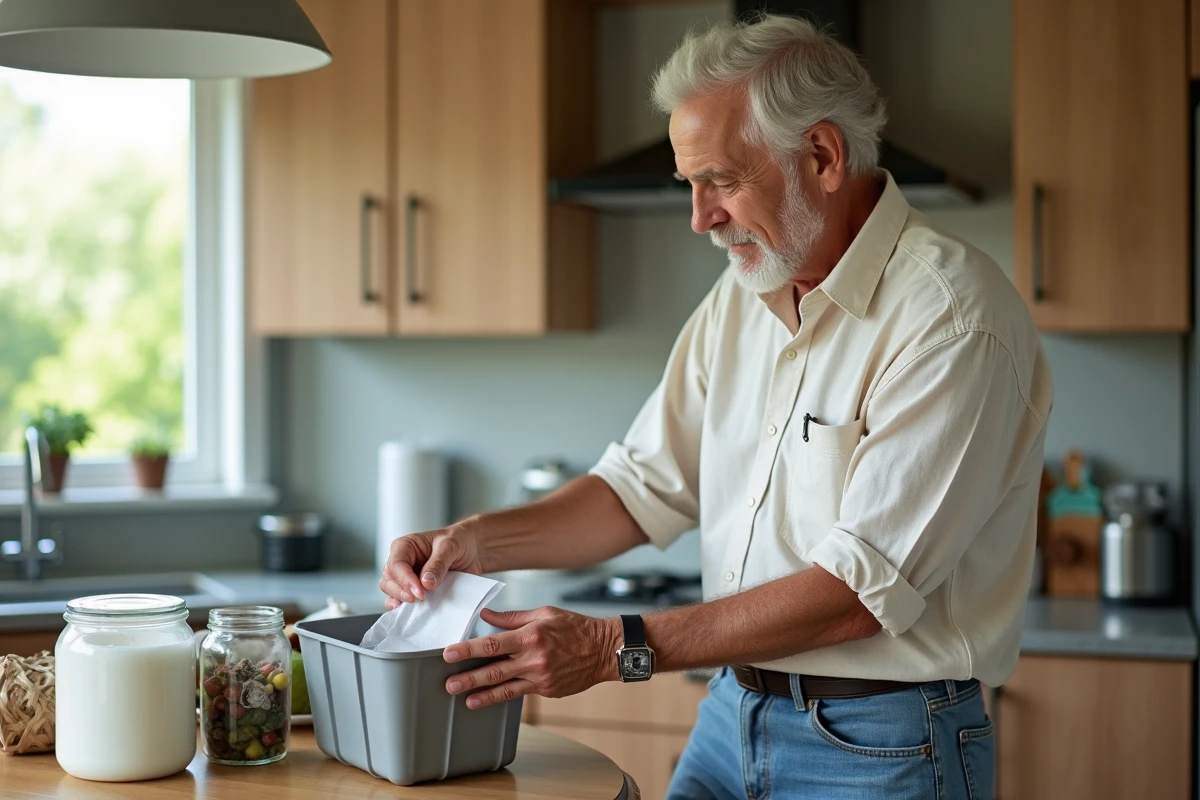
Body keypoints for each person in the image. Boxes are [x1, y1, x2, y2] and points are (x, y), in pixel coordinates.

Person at [379, 14, 1051, 800]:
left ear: (822, 156)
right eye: (689, 185)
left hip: (882, 743)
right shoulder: (744, 294)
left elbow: (855, 596)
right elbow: (640, 489)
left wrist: (613, 645)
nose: (700, 218)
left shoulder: (952, 319)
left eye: (722, 180)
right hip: (731, 711)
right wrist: (473, 542)